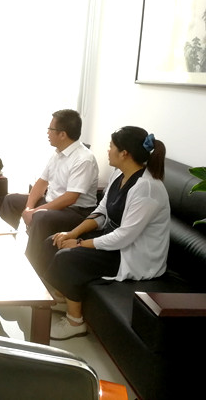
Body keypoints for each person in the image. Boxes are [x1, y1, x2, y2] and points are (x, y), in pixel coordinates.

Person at [45, 126, 169, 340]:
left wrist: (80, 244)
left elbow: (125, 237)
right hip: (114, 241)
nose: (108, 150)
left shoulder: (147, 188)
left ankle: (75, 322)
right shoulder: (119, 174)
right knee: (54, 240)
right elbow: (102, 211)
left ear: (124, 153)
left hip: (133, 254)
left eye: (111, 146)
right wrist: (71, 234)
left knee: (68, 258)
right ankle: (65, 295)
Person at [0, 109, 99, 274]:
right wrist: (29, 208)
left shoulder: (84, 159)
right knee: (11, 200)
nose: (47, 132)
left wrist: (35, 212)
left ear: (63, 134)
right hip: (52, 203)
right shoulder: (58, 153)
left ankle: (31, 270)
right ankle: (3, 249)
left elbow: (70, 198)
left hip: (76, 211)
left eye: (50, 129)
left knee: (40, 217)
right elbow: (41, 182)